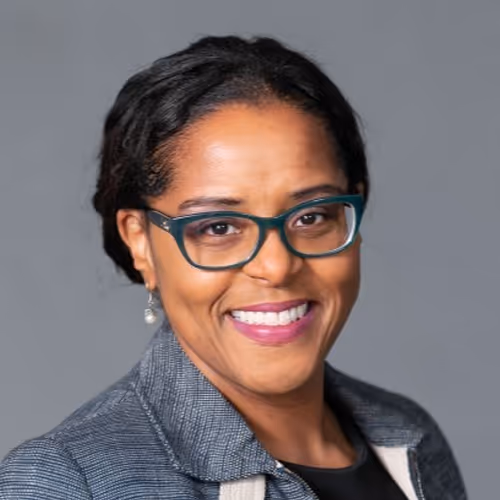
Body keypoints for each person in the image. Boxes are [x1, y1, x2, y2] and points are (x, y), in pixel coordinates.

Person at [0, 35, 467, 500]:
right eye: (218, 227)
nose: (276, 266)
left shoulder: (410, 438)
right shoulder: (68, 482)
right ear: (139, 241)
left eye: (311, 217)